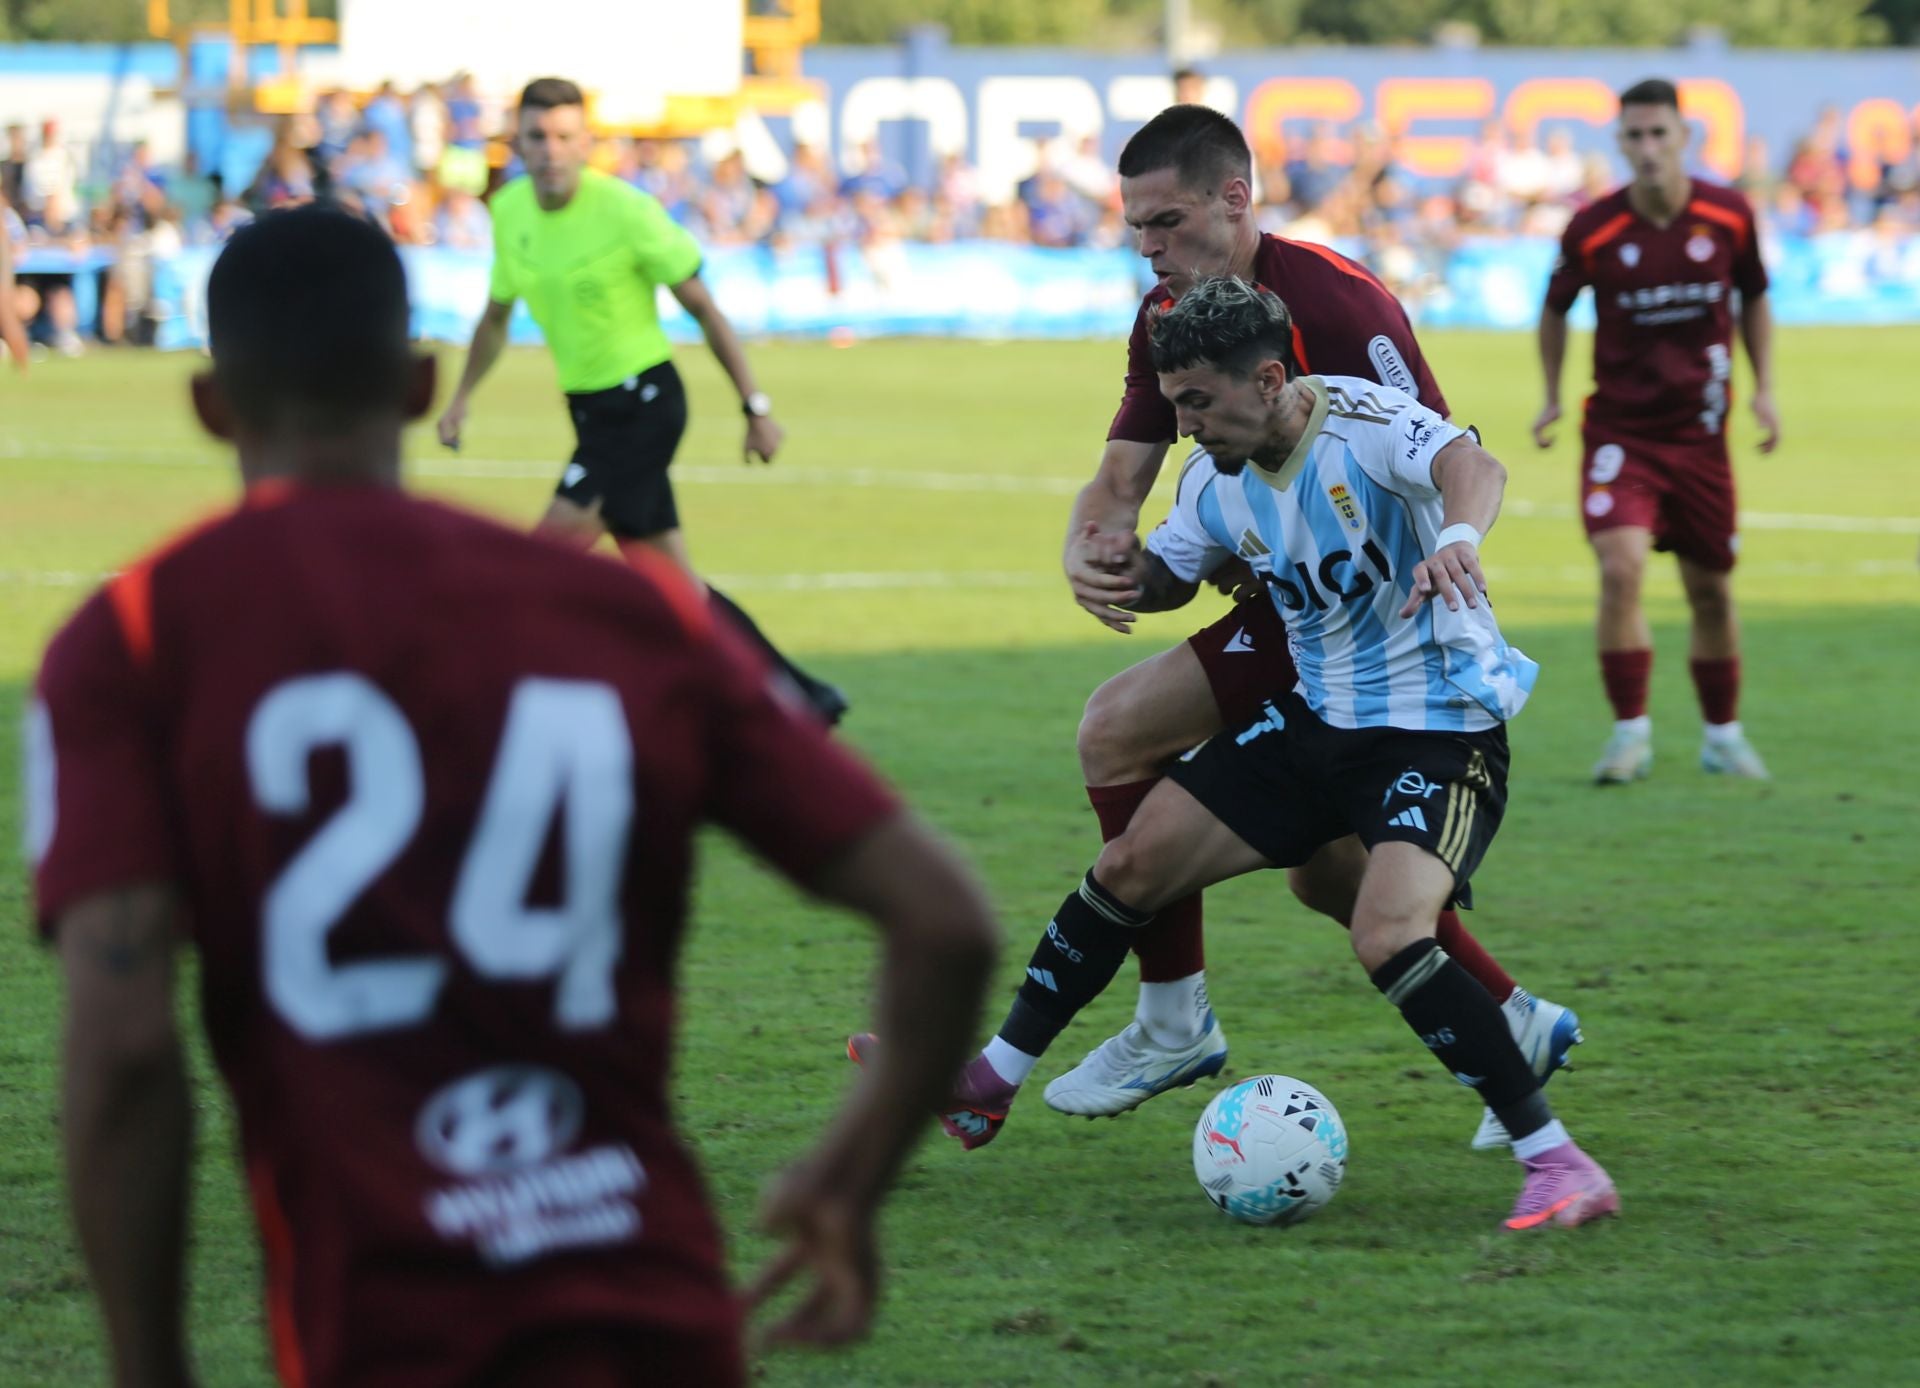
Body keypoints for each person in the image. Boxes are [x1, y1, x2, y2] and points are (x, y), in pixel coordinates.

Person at [27, 205, 998, 1388]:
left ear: (209, 404)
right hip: (657, 1317)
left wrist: (149, 1364)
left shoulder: (131, 639)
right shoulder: (622, 616)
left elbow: (127, 1045)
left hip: (384, 1330)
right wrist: (845, 1181)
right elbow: (946, 919)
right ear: (418, 382)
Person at [876, 276, 1618, 1230]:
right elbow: (1173, 576)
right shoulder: (1212, 480)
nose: (1184, 425)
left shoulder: (1363, 424)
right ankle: (988, 1082)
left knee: (1388, 932)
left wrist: (1460, 537)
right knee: (1131, 865)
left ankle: (1558, 1162)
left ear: (1269, 381)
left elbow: (1476, 467)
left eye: (1197, 401)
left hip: (1435, 731)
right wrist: (1121, 573)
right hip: (1314, 724)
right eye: (1173, 402)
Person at [1046, 104, 1578, 1151]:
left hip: (1364, 616)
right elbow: (1121, 475)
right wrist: (1089, 543)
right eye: (1136, 228)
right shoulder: (1167, 314)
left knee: (1116, 729)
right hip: (1291, 607)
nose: (1148, 248)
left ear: (1234, 200)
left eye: (1165, 222)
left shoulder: (1337, 302)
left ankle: (1172, 1020)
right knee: (1324, 872)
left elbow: (1435, 455)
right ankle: (1511, 1016)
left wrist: (1416, 546)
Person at [437, 77, 846, 724]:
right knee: (674, 588)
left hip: (645, 403)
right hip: (591, 414)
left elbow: (704, 308)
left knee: (542, 563)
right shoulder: (510, 210)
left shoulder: (626, 210)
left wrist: (755, 407)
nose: (550, 150)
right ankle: (799, 698)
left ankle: (483, 705)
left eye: (564, 136)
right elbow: (495, 317)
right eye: (537, 136)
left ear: (586, 143)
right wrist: (461, 398)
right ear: (517, 142)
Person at [1533, 78, 1779, 784]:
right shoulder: (1593, 228)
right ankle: (1629, 734)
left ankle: (1722, 736)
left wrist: (1765, 390)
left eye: (1658, 134)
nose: (1647, 148)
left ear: (1683, 137)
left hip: (1701, 438)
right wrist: (1551, 396)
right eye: (1635, 136)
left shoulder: (1729, 215)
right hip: (1622, 434)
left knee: (1712, 592)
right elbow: (1553, 309)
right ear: (1620, 143)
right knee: (1621, 569)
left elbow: (1756, 297)